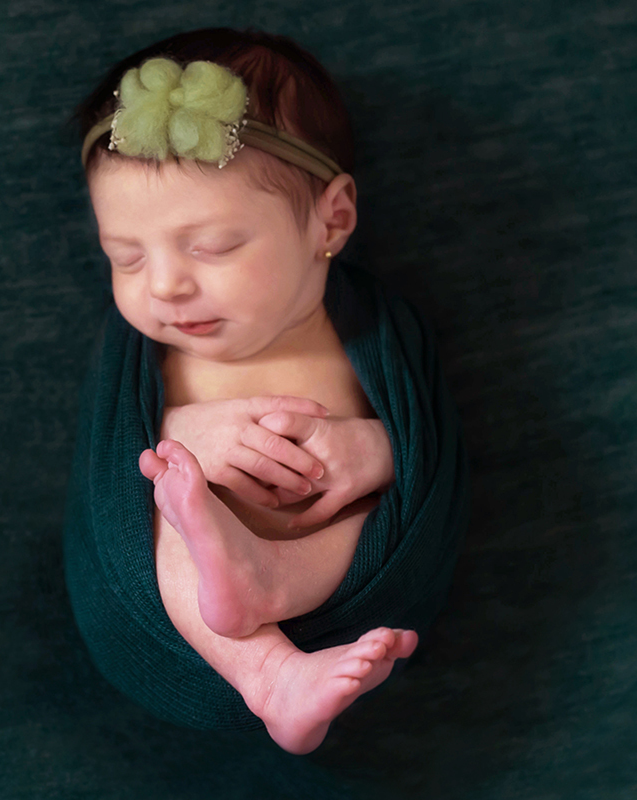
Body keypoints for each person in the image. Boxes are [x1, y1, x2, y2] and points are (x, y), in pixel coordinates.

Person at [69, 28, 438, 755]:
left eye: (212, 246)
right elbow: (113, 457)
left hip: (330, 571)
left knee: (366, 518)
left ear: (329, 220)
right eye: (126, 257)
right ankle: (266, 671)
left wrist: (380, 450)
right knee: (171, 516)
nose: (166, 285)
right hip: (197, 584)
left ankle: (271, 578)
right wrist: (178, 441)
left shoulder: (377, 331)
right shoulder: (154, 355)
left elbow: (435, 452)